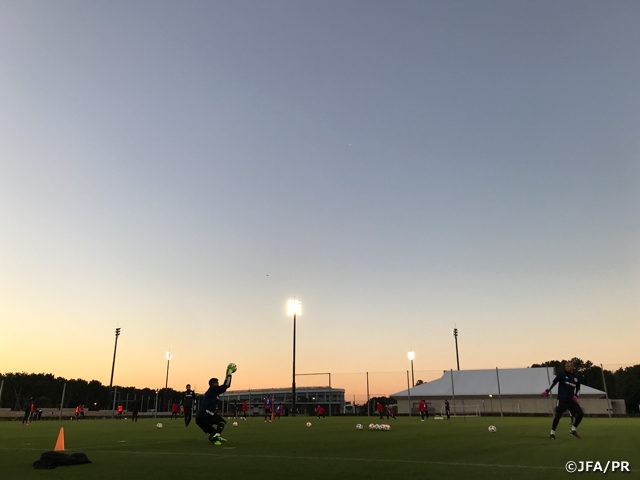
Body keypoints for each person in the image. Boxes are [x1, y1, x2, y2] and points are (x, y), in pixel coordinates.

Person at [542, 360, 584, 440]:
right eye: (566, 366)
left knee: (580, 414)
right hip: (562, 400)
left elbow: (578, 389)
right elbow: (554, 382)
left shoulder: (576, 378)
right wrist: (547, 390)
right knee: (558, 416)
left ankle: (573, 430)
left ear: (572, 367)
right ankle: (552, 433)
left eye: (568, 366)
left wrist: (576, 396)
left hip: (571, 401)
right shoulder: (562, 374)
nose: (567, 368)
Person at [196, 363, 236, 445]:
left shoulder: (213, 392)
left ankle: (216, 438)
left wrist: (226, 374)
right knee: (222, 422)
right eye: (217, 383)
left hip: (199, 417)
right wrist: (229, 373)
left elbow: (224, 387)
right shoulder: (213, 389)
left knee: (214, 432)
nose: (218, 384)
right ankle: (217, 436)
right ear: (212, 384)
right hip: (205, 413)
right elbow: (226, 385)